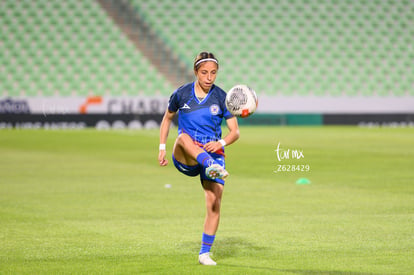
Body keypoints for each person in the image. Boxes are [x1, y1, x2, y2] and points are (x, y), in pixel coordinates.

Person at [158, 52, 240, 265]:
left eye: (213, 73)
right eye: (204, 72)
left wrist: (220, 143)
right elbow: (167, 119)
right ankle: (209, 165)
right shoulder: (181, 94)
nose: (209, 77)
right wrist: (161, 147)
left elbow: (234, 132)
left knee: (214, 203)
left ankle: (204, 253)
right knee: (184, 137)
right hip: (186, 156)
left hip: (213, 152)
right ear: (196, 72)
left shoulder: (222, 97)